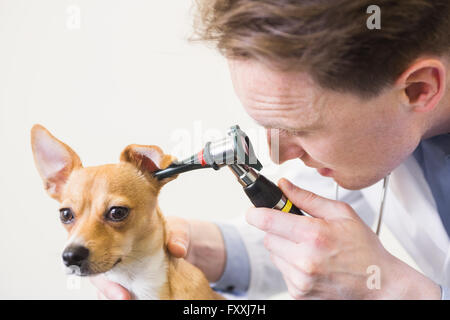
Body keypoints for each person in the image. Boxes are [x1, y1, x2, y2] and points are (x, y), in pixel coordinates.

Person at [92, 0, 450, 299]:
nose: (278, 156)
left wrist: (393, 288)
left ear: (419, 89)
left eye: (300, 130)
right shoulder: (373, 134)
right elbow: (310, 242)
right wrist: (186, 246)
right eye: (269, 126)